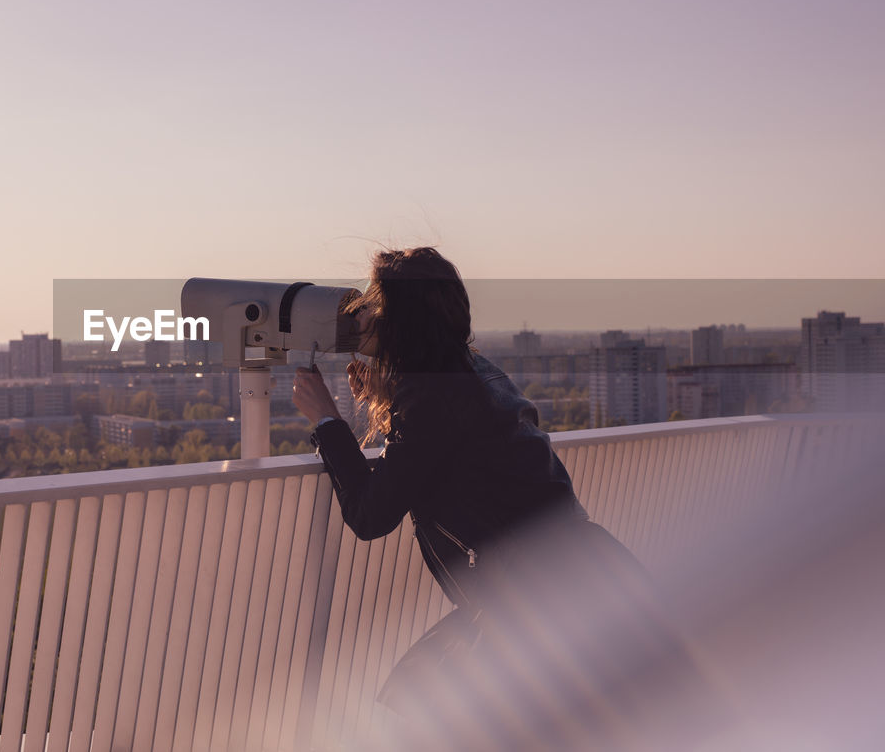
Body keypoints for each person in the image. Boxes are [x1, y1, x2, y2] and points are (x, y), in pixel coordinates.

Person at [292, 247, 720, 750]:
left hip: (537, 606)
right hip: (584, 580)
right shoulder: (476, 372)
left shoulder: (430, 400)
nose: (360, 313)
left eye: (372, 303)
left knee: (425, 710)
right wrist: (384, 395)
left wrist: (327, 421)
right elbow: (448, 451)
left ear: (400, 320)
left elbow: (369, 514)